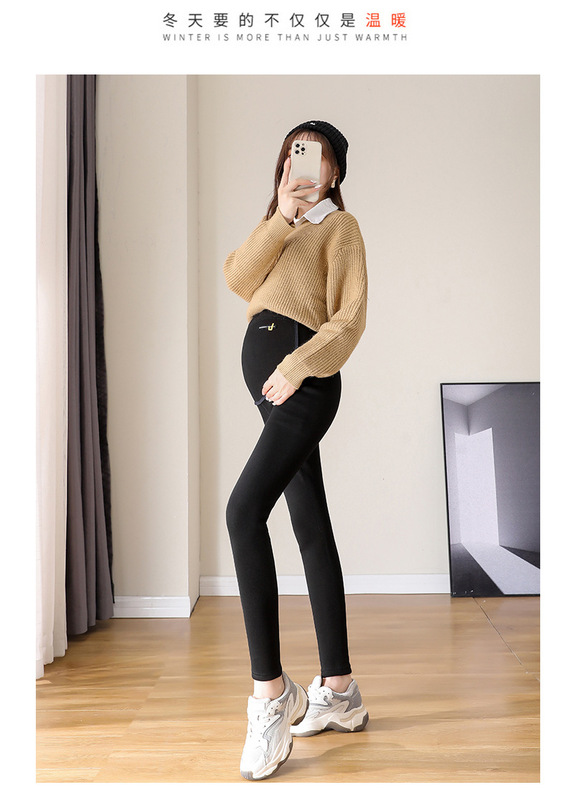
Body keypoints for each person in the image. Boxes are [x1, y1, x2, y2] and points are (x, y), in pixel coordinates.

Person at [223, 120, 369, 781]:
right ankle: (339, 691)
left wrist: (298, 364)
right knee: (310, 526)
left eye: (316, 155)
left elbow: (349, 318)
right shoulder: (278, 227)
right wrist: (282, 213)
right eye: (293, 153)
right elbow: (237, 277)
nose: (302, 162)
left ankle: (271, 696)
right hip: (275, 384)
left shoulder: (341, 228)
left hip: (302, 383)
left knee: (242, 511)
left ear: (335, 172)